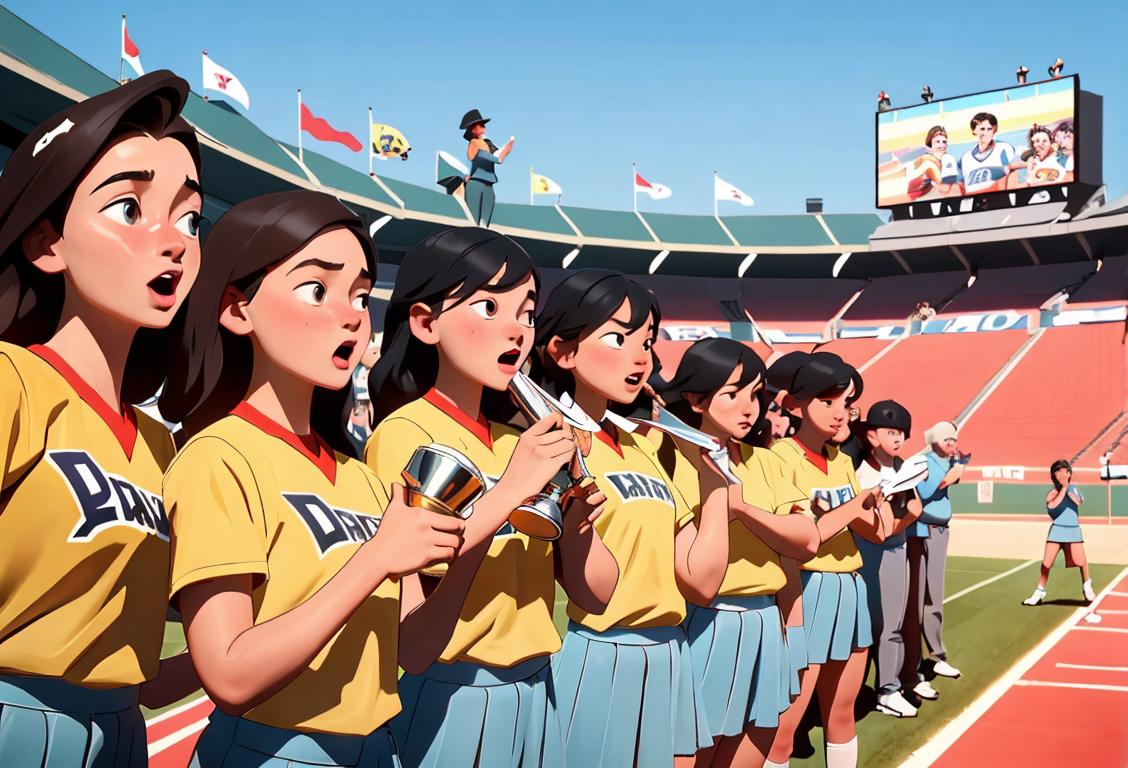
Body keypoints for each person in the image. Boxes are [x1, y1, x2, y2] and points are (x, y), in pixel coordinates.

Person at [159, 190, 465, 767]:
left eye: (360, 294)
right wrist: (375, 558)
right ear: (236, 309)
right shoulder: (219, 457)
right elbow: (228, 672)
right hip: (271, 751)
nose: (353, 313)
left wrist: (470, 544)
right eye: (317, 289)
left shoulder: (363, 478)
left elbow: (415, 651)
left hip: (380, 747)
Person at [0, 71, 204, 765]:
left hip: (122, 731)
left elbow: (151, 662)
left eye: (190, 217)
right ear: (45, 243)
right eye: (128, 208)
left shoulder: (160, 444)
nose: (174, 240)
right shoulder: (10, 383)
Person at [365, 227, 618, 768]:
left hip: (537, 687)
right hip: (447, 692)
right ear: (425, 322)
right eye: (488, 306)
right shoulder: (404, 433)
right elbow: (410, 569)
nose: (517, 330)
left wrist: (577, 511)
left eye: (527, 313)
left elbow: (595, 595)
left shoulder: (519, 441)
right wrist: (510, 490)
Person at [535, 270, 729, 768]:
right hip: (602, 655)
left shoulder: (646, 445)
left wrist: (717, 488)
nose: (640, 358)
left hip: (672, 652)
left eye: (647, 342)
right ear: (562, 351)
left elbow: (701, 581)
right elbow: (580, 584)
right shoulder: (550, 444)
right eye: (618, 338)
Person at [654, 338, 820, 768]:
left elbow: (807, 540)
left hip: (766, 622)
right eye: (733, 395)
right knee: (691, 754)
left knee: (753, 751)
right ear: (694, 398)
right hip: (702, 625)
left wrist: (743, 510)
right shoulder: (666, 461)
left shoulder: (766, 463)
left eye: (756, 395)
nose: (750, 408)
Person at [761, 352, 885, 768]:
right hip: (806, 590)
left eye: (845, 404)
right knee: (785, 727)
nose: (839, 414)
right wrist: (852, 508)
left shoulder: (844, 461)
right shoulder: (779, 457)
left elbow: (875, 530)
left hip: (850, 587)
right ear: (794, 403)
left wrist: (876, 502)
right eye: (827, 402)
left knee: (842, 712)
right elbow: (803, 539)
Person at [852, 401, 924, 719]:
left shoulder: (903, 467)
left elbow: (915, 506)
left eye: (902, 433)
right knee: (863, 625)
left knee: (891, 624)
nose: (898, 439)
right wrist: (900, 521)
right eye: (891, 432)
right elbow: (868, 523)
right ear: (871, 435)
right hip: (866, 551)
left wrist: (901, 523)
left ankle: (888, 689)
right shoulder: (859, 471)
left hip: (896, 549)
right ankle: (852, 692)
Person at [909, 421, 968, 683]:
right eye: (947, 439)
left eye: (954, 440)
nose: (952, 444)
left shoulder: (947, 462)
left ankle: (934, 655)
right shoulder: (923, 462)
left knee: (934, 594)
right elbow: (924, 491)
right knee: (919, 594)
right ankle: (918, 660)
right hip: (923, 531)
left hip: (940, 531)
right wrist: (951, 477)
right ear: (935, 439)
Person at [1023, 459, 1095, 605]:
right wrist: (1062, 488)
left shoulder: (1073, 489)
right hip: (1057, 530)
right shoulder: (1052, 493)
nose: (1062, 473)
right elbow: (1053, 507)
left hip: (1073, 530)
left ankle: (1086, 585)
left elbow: (1078, 501)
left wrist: (1067, 486)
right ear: (1054, 475)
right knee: (1046, 564)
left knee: (1081, 561)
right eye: (1059, 470)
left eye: (1065, 470)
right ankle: (1039, 592)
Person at [461, 109, 515, 226]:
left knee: (485, 223)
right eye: (480, 125)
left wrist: (505, 148)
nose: (484, 127)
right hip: (476, 184)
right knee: (473, 221)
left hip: (488, 186)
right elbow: (497, 159)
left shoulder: (487, 143)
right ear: (473, 129)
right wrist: (508, 147)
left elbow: (497, 154)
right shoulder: (474, 145)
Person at [959, 112, 1023, 195]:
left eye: (989, 129)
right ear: (974, 130)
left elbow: (1008, 175)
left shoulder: (1004, 148)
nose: (986, 133)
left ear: (995, 130)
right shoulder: (966, 158)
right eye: (982, 129)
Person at [906, 126, 958, 200]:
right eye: (937, 141)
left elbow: (946, 188)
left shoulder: (948, 159)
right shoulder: (922, 162)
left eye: (944, 142)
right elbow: (911, 193)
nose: (942, 145)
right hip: (923, 202)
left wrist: (932, 180)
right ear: (930, 145)